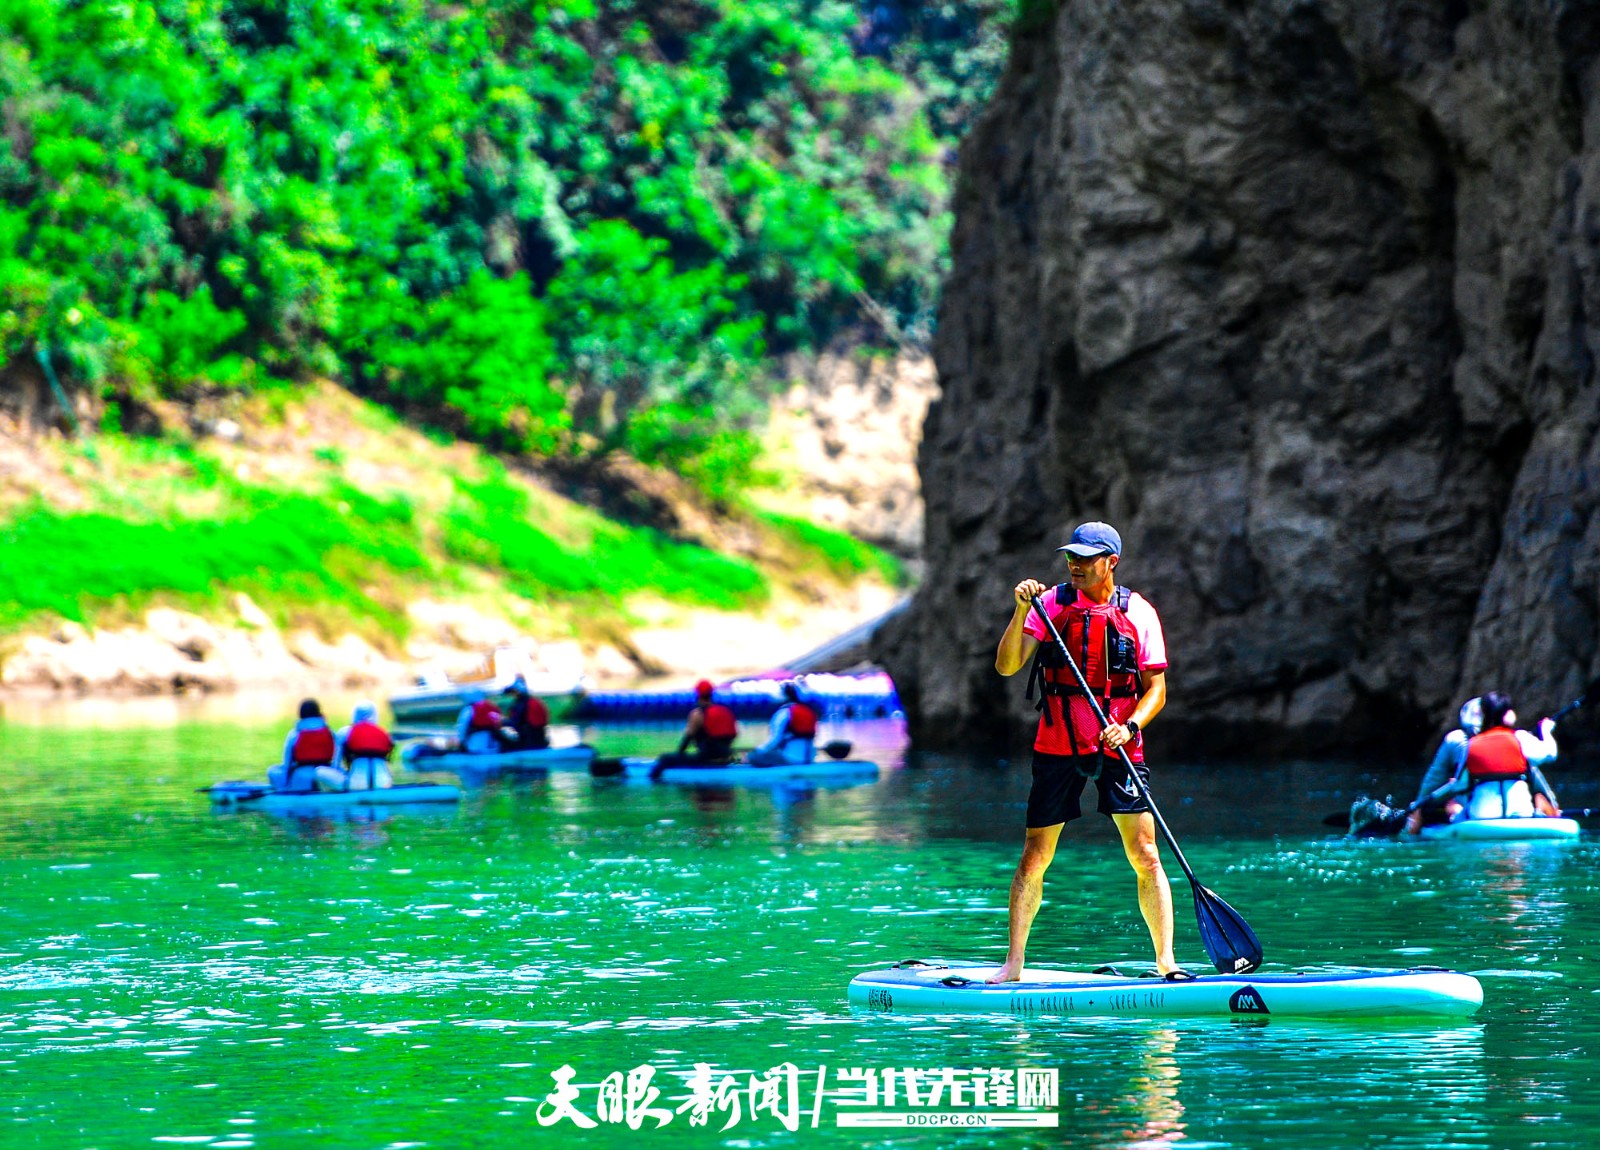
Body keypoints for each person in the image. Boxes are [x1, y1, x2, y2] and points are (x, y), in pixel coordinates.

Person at [990, 521, 1173, 983]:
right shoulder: (1049, 604)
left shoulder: (1140, 613)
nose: (1075, 563)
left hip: (1120, 746)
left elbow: (1157, 691)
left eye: (1087, 557)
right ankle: (1013, 964)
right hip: (1058, 742)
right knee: (1035, 854)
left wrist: (1129, 727)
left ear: (1111, 562)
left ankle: (1166, 961)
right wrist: (1019, 611)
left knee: (1146, 853)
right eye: (1072, 555)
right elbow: (1008, 665)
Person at [1450, 691, 1560, 821]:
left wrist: (1453, 783)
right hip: (1521, 814)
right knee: (1540, 800)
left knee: (1452, 805)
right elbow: (1551, 754)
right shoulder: (1520, 738)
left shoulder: (1470, 745)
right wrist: (1545, 731)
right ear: (1507, 715)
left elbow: (1460, 786)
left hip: (1482, 817)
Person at [657, 680, 739, 767]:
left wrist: (678, 757)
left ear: (698, 694)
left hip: (706, 759)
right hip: (726, 758)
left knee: (664, 758)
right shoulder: (725, 711)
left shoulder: (697, 714)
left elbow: (687, 739)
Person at [271, 699, 339, 792]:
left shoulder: (294, 734)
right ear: (318, 713)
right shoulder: (330, 732)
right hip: (325, 776)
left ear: (300, 715)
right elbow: (336, 760)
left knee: (273, 770)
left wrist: (286, 781)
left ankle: (283, 792)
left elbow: (287, 764)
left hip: (300, 777)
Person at [746, 682, 818, 766]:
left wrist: (757, 750)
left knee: (753, 756)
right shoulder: (808, 711)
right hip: (809, 757)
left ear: (784, 696)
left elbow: (774, 741)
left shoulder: (783, 713)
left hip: (790, 758)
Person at [335, 701, 395, 790]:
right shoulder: (384, 734)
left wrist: (345, 774)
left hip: (356, 784)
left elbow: (336, 765)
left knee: (319, 771)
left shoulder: (345, 733)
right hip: (383, 783)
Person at [502, 676, 551, 750]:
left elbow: (515, 722)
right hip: (541, 739)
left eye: (513, 692)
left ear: (517, 692)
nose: (512, 695)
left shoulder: (522, 704)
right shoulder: (533, 701)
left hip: (528, 742)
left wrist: (502, 722)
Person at [455, 690, 507, 754]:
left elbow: (462, 728)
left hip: (475, 746)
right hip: (494, 745)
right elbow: (501, 724)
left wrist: (461, 742)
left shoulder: (468, 710)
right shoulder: (492, 707)